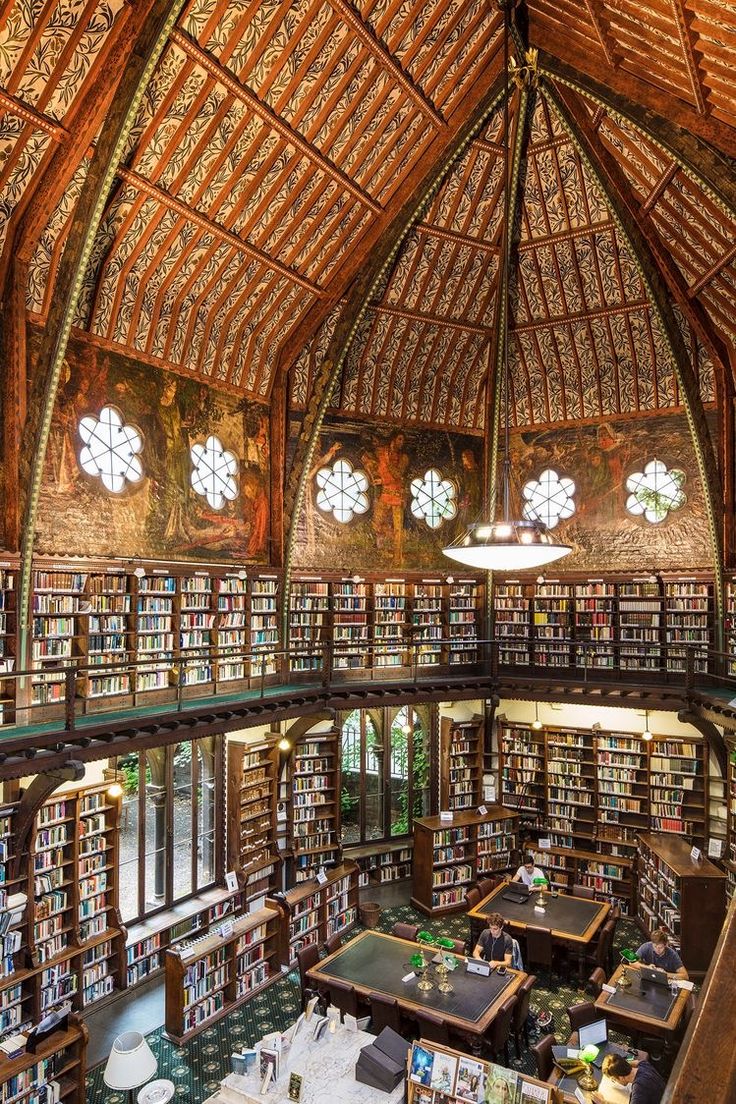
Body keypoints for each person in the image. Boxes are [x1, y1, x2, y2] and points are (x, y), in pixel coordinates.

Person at [592, 1054, 665, 1104]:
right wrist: (619, 1066)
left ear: (621, 1078)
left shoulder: (639, 1088)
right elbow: (636, 1062)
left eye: (614, 1080)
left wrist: (603, 1102)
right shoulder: (644, 1064)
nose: (614, 1081)